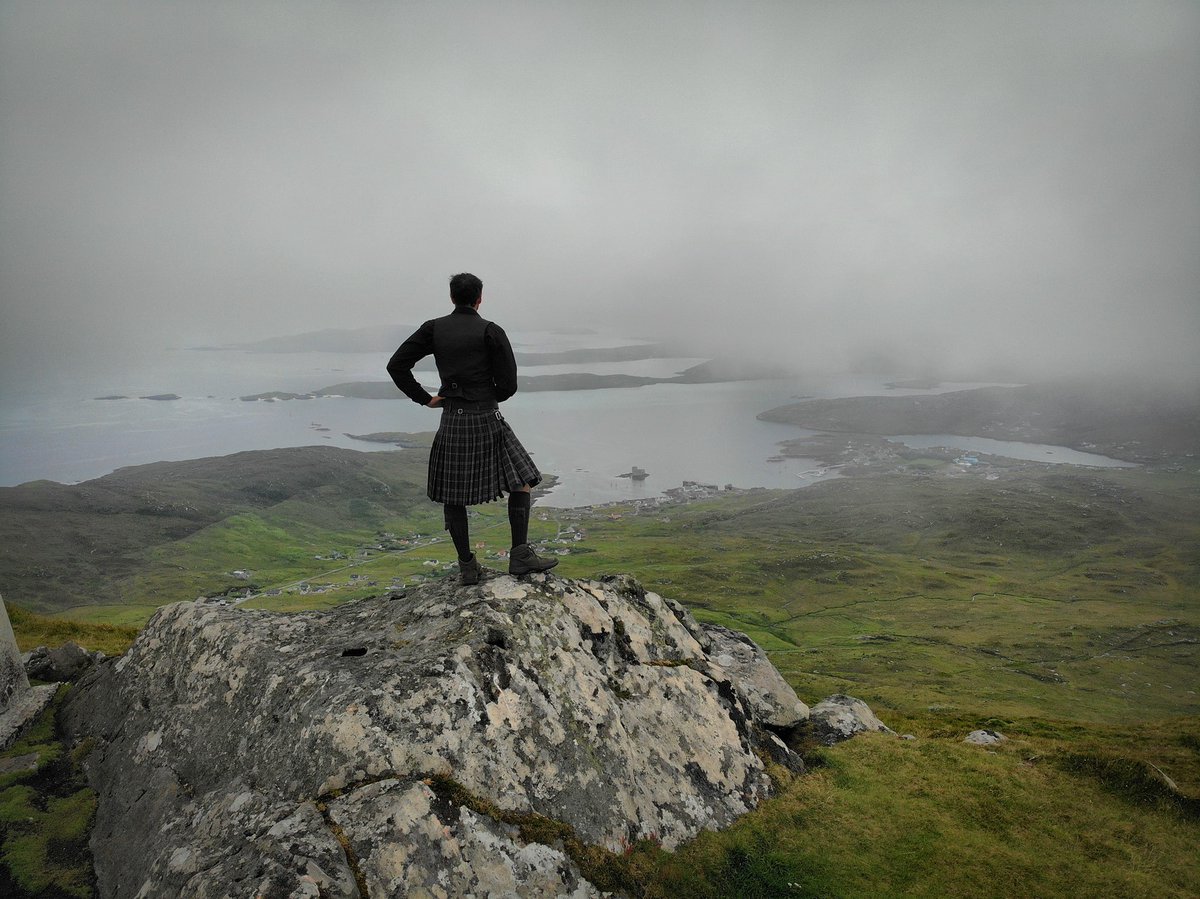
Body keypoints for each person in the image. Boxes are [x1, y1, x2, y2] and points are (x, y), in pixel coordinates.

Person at [387, 273, 558, 585]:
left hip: (452, 417)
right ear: (480, 298)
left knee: (454, 497)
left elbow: (396, 365)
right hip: (486, 416)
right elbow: (509, 385)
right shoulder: (490, 330)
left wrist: (425, 399)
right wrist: (489, 394)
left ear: (452, 298)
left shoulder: (433, 328)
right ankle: (519, 556)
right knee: (521, 480)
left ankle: (467, 566)